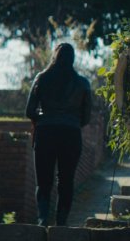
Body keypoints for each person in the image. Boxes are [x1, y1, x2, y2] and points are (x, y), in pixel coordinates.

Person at [25, 43, 92, 226]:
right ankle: (61, 222)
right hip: (70, 134)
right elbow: (86, 117)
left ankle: (43, 219)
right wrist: (69, 120)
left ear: (54, 57)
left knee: (44, 180)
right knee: (66, 179)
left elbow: (30, 110)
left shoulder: (41, 79)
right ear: (72, 59)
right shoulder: (83, 84)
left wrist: (45, 117)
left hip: (45, 133)